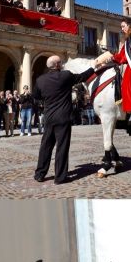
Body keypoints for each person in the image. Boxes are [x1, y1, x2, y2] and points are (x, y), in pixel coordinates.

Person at [33, 54, 100, 184]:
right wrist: (93, 67)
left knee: (45, 146)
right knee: (62, 147)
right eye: (61, 62)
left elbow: (36, 96)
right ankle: (60, 177)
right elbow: (82, 77)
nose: (62, 64)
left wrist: (48, 100)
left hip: (49, 117)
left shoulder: (40, 80)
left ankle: (40, 174)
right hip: (63, 117)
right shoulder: (65, 75)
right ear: (58, 65)